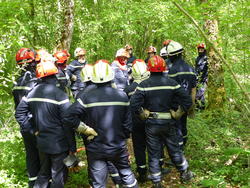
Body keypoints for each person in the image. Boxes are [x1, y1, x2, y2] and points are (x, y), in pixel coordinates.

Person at [63, 60, 138, 188]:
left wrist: (84, 129)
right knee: (127, 176)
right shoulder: (122, 96)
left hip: (95, 146)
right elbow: (127, 123)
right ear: (111, 76)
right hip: (117, 145)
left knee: (98, 183)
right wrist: (123, 137)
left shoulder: (86, 97)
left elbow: (68, 116)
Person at [130, 55, 194, 188]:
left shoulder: (144, 85)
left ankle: (157, 182)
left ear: (149, 69)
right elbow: (187, 100)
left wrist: (142, 114)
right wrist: (178, 113)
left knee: (154, 153)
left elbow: (134, 103)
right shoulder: (171, 83)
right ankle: (185, 173)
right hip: (168, 123)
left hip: (152, 124)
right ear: (164, 67)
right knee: (174, 149)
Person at [15, 56, 76, 188]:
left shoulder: (31, 93)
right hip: (59, 144)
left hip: (42, 142)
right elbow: (68, 121)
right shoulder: (60, 95)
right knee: (57, 177)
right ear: (54, 75)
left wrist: (33, 131)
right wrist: (72, 147)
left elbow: (19, 114)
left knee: (43, 173)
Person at [13, 48, 40, 187]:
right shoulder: (36, 82)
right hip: (37, 125)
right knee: (43, 157)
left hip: (24, 125)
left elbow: (17, 108)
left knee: (31, 155)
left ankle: (33, 183)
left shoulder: (16, 82)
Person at [166, 41, 197, 148]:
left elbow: (170, 91)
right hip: (186, 103)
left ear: (173, 55)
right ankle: (183, 146)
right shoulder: (191, 69)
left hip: (175, 106)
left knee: (176, 129)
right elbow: (193, 90)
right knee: (183, 127)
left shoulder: (173, 71)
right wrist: (191, 105)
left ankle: (179, 154)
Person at [124, 59, 150, 182]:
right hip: (150, 121)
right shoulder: (150, 85)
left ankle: (142, 172)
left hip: (135, 122)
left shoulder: (128, 89)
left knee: (139, 147)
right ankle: (156, 170)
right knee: (153, 146)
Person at [195, 43, 208, 110]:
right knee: (197, 93)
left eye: (201, 49)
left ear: (204, 50)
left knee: (200, 94)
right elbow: (196, 68)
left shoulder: (206, 58)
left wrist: (204, 78)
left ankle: (202, 108)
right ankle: (198, 108)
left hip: (204, 79)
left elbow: (206, 70)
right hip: (198, 79)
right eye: (199, 49)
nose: (200, 51)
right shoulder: (197, 58)